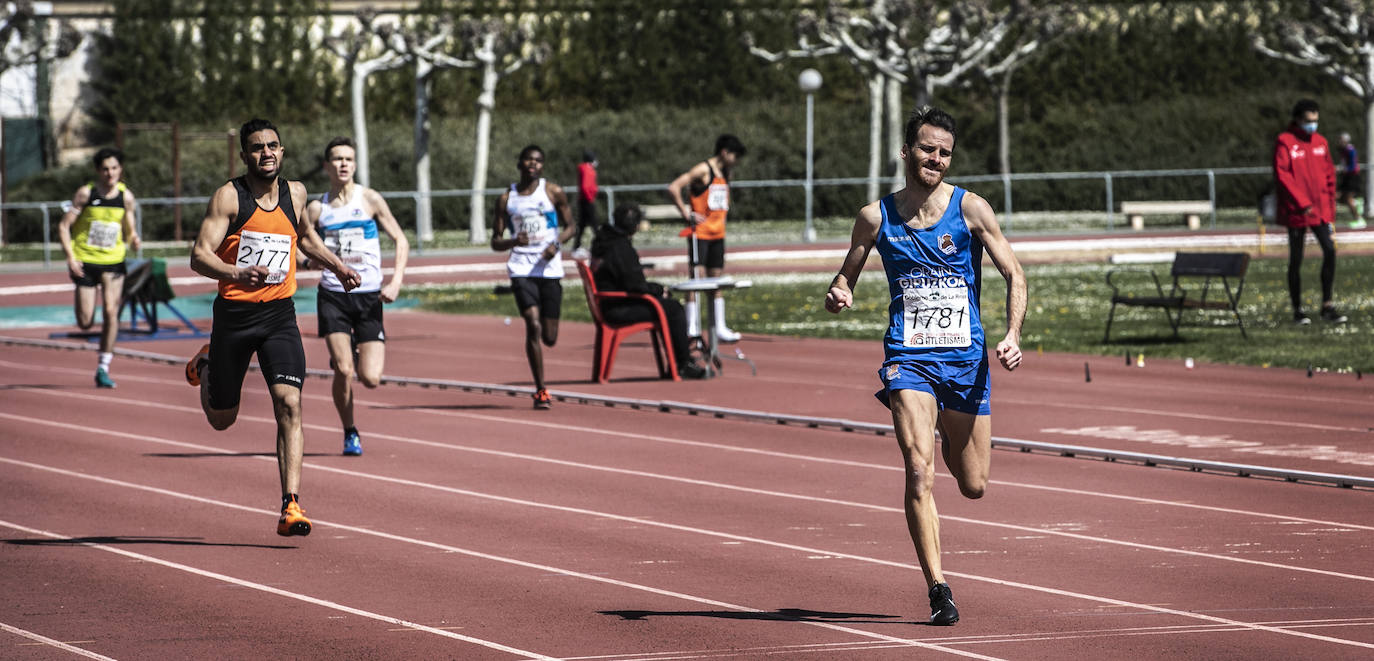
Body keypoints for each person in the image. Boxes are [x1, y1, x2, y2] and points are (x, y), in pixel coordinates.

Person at [823, 107, 1026, 626]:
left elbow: (1015, 273)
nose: (935, 158)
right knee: (918, 470)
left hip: (966, 362)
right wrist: (840, 289)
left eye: (944, 152)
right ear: (906, 152)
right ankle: (938, 588)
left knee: (973, 484)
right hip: (908, 359)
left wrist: (1012, 335)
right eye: (927, 148)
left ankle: (947, 434)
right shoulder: (875, 217)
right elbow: (847, 271)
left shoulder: (972, 209)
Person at [185, 118, 361, 537]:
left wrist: (338, 266)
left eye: (273, 146)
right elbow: (198, 255)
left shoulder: (295, 193)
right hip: (235, 317)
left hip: (279, 315)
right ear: (245, 155)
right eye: (258, 148)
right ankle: (208, 364)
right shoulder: (230, 197)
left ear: (282, 152)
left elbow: (305, 237)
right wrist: (235, 272)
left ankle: (291, 505)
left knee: (290, 404)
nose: (267, 153)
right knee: (222, 420)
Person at [305, 136, 410, 456]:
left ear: (355, 164)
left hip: (369, 297)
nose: (343, 164)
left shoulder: (370, 200)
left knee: (371, 379)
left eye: (348, 159)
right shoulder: (317, 208)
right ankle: (350, 431)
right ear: (327, 166)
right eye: (337, 159)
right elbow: (301, 247)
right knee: (344, 369)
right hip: (334, 295)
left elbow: (401, 241)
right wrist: (309, 260)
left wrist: (395, 283)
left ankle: (350, 354)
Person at [491, 144, 576, 410]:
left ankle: (541, 381)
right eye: (528, 159)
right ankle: (540, 390)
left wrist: (556, 245)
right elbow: (495, 241)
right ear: (519, 164)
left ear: (543, 166)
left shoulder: (552, 192)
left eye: (538, 161)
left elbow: (571, 227)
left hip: (548, 269)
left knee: (549, 336)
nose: (533, 164)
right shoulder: (507, 199)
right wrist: (514, 241)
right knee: (533, 324)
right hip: (521, 269)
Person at [590, 203, 708, 380]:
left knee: (666, 306)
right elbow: (635, 284)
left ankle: (680, 362)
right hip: (618, 308)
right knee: (673, 309)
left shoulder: (603, 241)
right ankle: (683, 363)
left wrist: (654, 290)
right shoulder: (621, 248)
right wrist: (660, 290)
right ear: (636, 226)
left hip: (608, 302)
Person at [57, 147, 141, 388]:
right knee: (85, 322)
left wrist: (133, 238)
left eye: (114, 168)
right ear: (97, 170)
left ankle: (103, 367)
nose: (110, 173)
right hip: (85, 261)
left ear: (120, 169)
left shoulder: (126, 197)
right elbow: (64, 227)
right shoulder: (86, 194)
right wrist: (71, 257)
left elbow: (129, 227)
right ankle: (84, 304)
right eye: (105, 169)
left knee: (111, 313)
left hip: (113, 261)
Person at [667, 134, 747, 343]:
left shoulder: (726, 172)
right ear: (724, 152)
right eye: (735, 156)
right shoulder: (703, 170)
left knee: (716, 282)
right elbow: (674, 187)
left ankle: (719, 327)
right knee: (696, 280)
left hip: (718, 234)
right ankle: (691, 327)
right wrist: (686, 213)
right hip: (700, 234)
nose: (736, 161)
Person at [1274, 99, 1346, 324]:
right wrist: (1302, 202)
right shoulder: (1285, 142)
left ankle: (1327, 306)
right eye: (1308, 121)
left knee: (1330, 251)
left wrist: (1331, 207)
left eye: (1315, 121)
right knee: (1296, 260)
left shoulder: (1320, 142)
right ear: (1297, 120)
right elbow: (1283, 175)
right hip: (1297, 212)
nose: (1312, 126)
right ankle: (1298, 310)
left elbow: (1329, 175)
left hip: (1321, 211)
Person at [1335, 132, 1367, 230]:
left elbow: (1353, 166)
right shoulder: (1343, 150)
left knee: (1347, 198)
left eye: (1341, 140)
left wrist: (1342, 169)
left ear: (1345, 140)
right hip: (1347, 177)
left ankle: (1359, 219)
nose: (1339, 142)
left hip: (1352, 177)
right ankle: (1356, 202)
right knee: (1340, 197)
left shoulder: (1350, 150)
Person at [572, 150, 599, 254]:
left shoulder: (586, 169)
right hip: (587, 201)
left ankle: (576, 246)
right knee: (594, 225)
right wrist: (590, 198)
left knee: (582, 225)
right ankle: (601, 245)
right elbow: (585, 186)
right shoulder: (587, 169)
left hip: (585, 200)